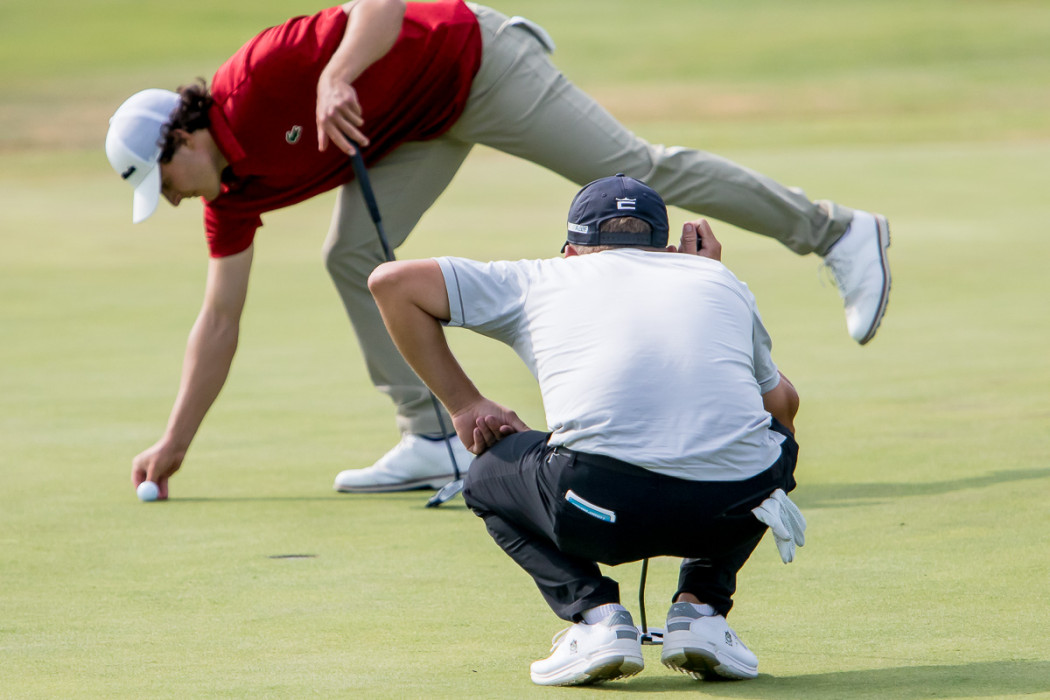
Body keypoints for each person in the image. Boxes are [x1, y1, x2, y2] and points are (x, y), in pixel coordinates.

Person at [105, 0, 888, 499]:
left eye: (163, 183)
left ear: (182, 136)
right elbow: (219, 320)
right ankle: (430, 435)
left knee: (636, 168)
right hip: (419, 126)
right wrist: (175, 443)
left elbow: (382, 6)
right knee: (352, 256)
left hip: (477, 62)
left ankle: (836, 230)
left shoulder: (256, 76)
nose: (170, 201)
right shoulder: (230, 196)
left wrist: (338, 75)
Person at [367, 174, 807, 685]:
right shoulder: (718, 279)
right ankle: (702, 611)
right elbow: (784, 404)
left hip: (596, 512)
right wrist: (705, 275)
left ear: (571, 251)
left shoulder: (544, 277)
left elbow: (391, 282)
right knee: (774, 442)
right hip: (725, 514)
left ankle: (598, 619)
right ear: (667, 249)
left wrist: (465, 405)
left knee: (486, 475)